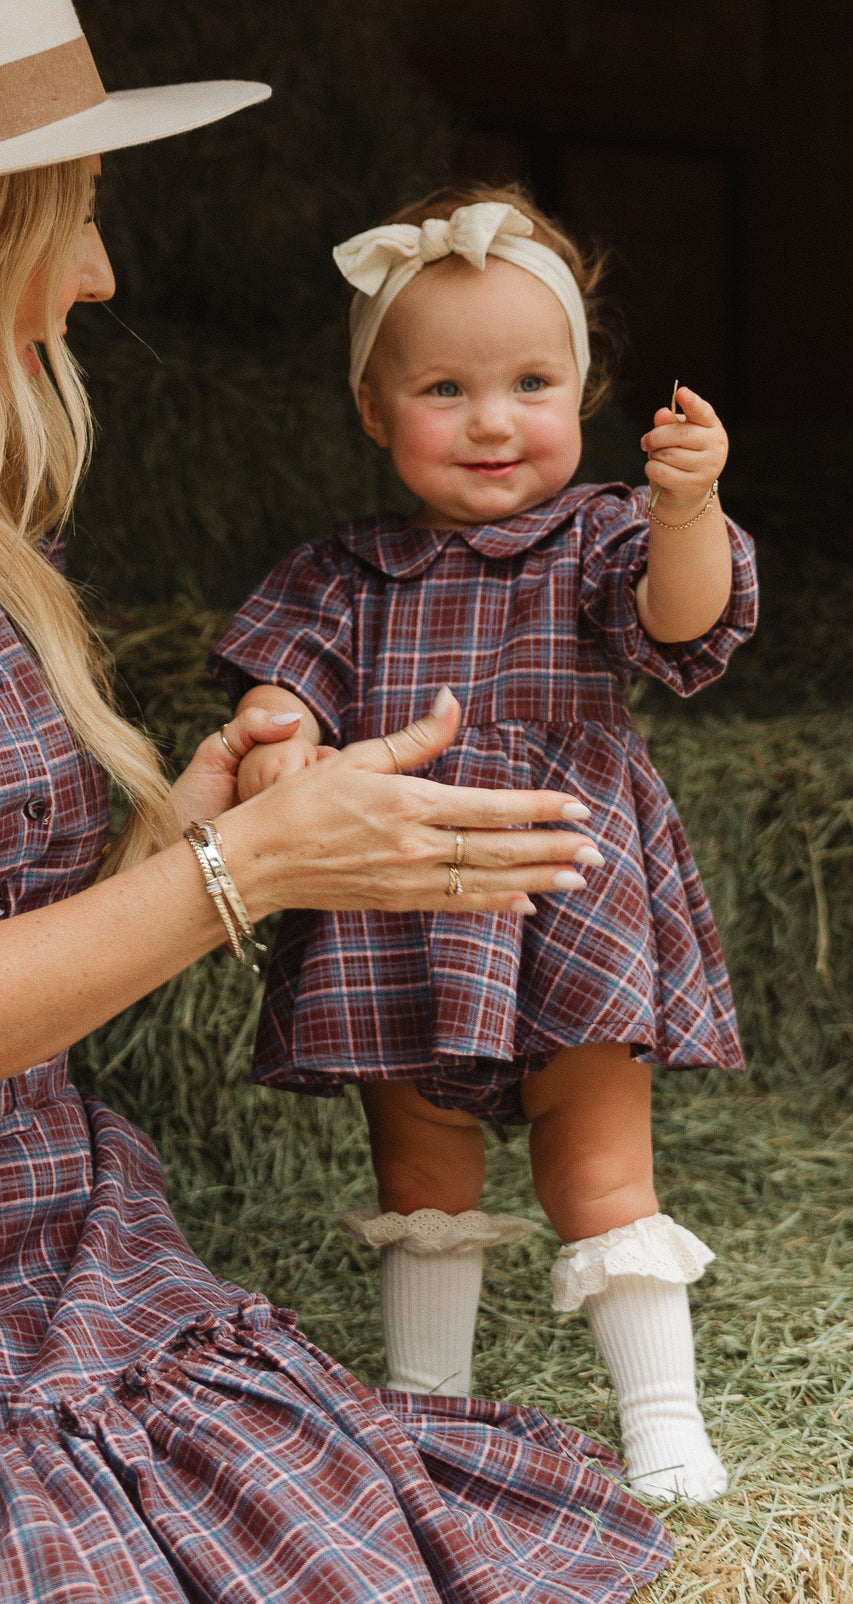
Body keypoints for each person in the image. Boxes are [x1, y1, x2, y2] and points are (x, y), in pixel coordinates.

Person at [0, 6, 675, 1604]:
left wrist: (194, 824)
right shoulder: (332, 577)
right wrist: (242, 871)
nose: (102, 274)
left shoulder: (14, 532)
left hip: (57, 1212)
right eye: (78, 213)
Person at [210, 183, 759, 1503]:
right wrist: (279, 718)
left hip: (563, 891)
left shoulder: (603, 537)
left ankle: (663, 1418)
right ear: (372, 411)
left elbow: (684, 628)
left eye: (530, 381)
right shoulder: (341, 573)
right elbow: (281, 680)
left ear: (583, 388)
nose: (493, 420)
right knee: (421, 1163)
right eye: (445, 389)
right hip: (394, 903)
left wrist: (690, 511)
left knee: (597, 1160)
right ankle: (424, 1410)